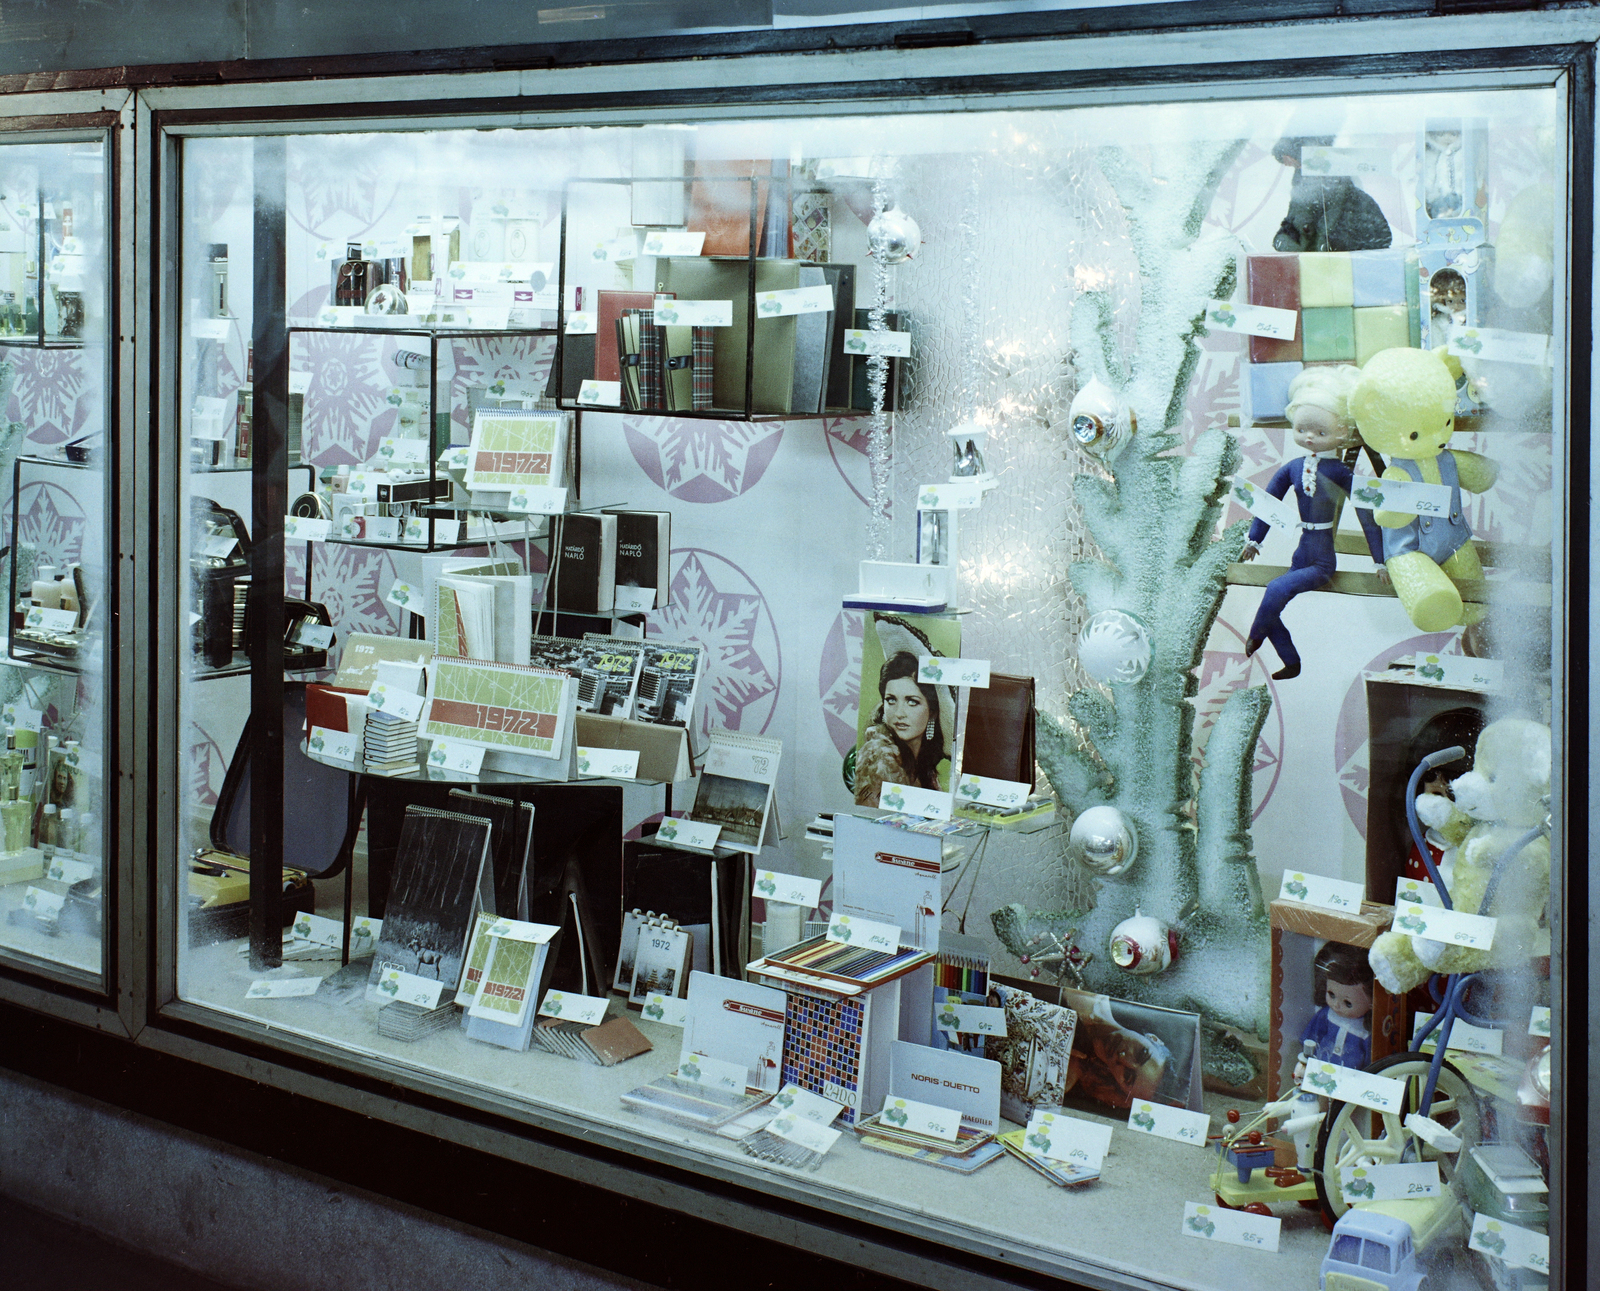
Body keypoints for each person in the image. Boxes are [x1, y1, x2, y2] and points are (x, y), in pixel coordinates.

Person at [1240, 365, 1387, 680]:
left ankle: (1255, 636)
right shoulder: (1293, 468)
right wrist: (1255, 540)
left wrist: (1379, 561)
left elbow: (1366, 515)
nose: (1309, 437)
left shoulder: (1340, 473)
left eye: (1320, 432)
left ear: (1341, 433)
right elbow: (1268, 504)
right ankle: (1292, 663)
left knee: (1275, 589)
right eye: (1303, 429)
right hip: (1301, 551)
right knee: (1273, 601)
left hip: (1321, 560)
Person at [853, 617, 955, 808]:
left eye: (912, 702)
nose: (899, 713)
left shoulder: (923, 765)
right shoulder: (878, 756)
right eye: (891, 700)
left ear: (932, 712)